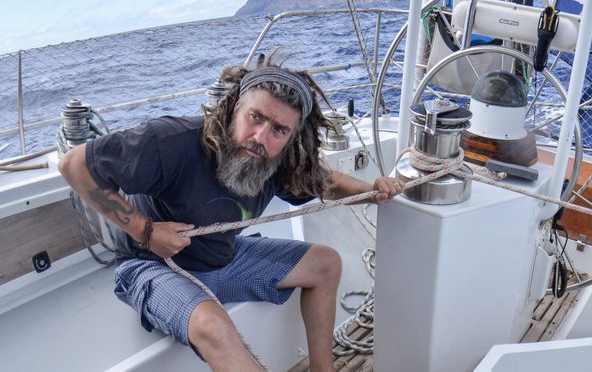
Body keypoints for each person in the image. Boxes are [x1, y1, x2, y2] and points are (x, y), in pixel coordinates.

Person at [58, 58, 403, 371]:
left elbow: (326, 183)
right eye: (256, 117)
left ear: (291, 136)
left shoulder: (278, 163)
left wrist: (376, 190)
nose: (260, 137)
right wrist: (144, 231)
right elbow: (74, 165)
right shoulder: (170, 141)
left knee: (326, 263)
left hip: (219, 258)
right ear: (235, 107)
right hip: (151, 264)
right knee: (215, 327)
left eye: (278, 130)